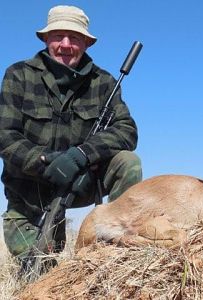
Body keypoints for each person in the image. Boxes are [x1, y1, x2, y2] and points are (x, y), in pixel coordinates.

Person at [0, 5, 142, 260]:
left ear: (87, 43)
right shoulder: (18, 75)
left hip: (82, 183)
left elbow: (127, 130)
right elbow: (5, 136)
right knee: (37, 264)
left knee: (128, 162)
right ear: (46, 38)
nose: (65, 44)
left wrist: (81, 155)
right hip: (29, 193)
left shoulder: (104, 82)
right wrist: (46, 161)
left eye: (74, 38)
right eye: (58, 36)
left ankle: (120, 250)